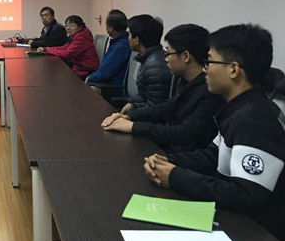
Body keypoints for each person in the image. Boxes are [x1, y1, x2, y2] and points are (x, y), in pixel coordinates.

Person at [143, 24, 285, 241]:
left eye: (209, 62)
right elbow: (214, 154)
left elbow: (247, 196)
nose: (205, 69)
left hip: (265, 237)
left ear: (233, 69)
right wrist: (168, 161)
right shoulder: (240, 107)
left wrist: (175, 177)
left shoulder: (254, 119)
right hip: (245, 220)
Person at [101, 24, 225, 152]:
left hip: (186, 156)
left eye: (168, 53)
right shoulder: (185, 81)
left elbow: (185, 133)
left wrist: (134, 126)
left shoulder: (211, 90)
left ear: (186, 56)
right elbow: (167, 108)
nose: (165, 58)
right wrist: (129, 116)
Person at [120, 14, 172, 114]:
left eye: (129, 35)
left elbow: (154, 108)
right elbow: (144, 94)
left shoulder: (155, 66)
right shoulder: (150, 57)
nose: (128, 38)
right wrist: (131, 103)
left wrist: (130, 112)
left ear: (136, 40)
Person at [37, 15, 99, 79]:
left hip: (85, 69)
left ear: (80, 26)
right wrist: (46, 49)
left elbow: (67, 54)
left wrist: (47, 50)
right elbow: (64, 47)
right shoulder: (76, 35)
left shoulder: (81, 38)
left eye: (71, 25)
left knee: (56, 77)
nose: (68, 28)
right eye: (66, 26)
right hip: (78, 66)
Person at [86, 9, 131, 86]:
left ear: (111, 28)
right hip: (109, 82)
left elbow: (104, 74)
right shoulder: (121, 42)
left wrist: (89, 78)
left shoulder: (119, 47)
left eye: (106, 25)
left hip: (111, 86)